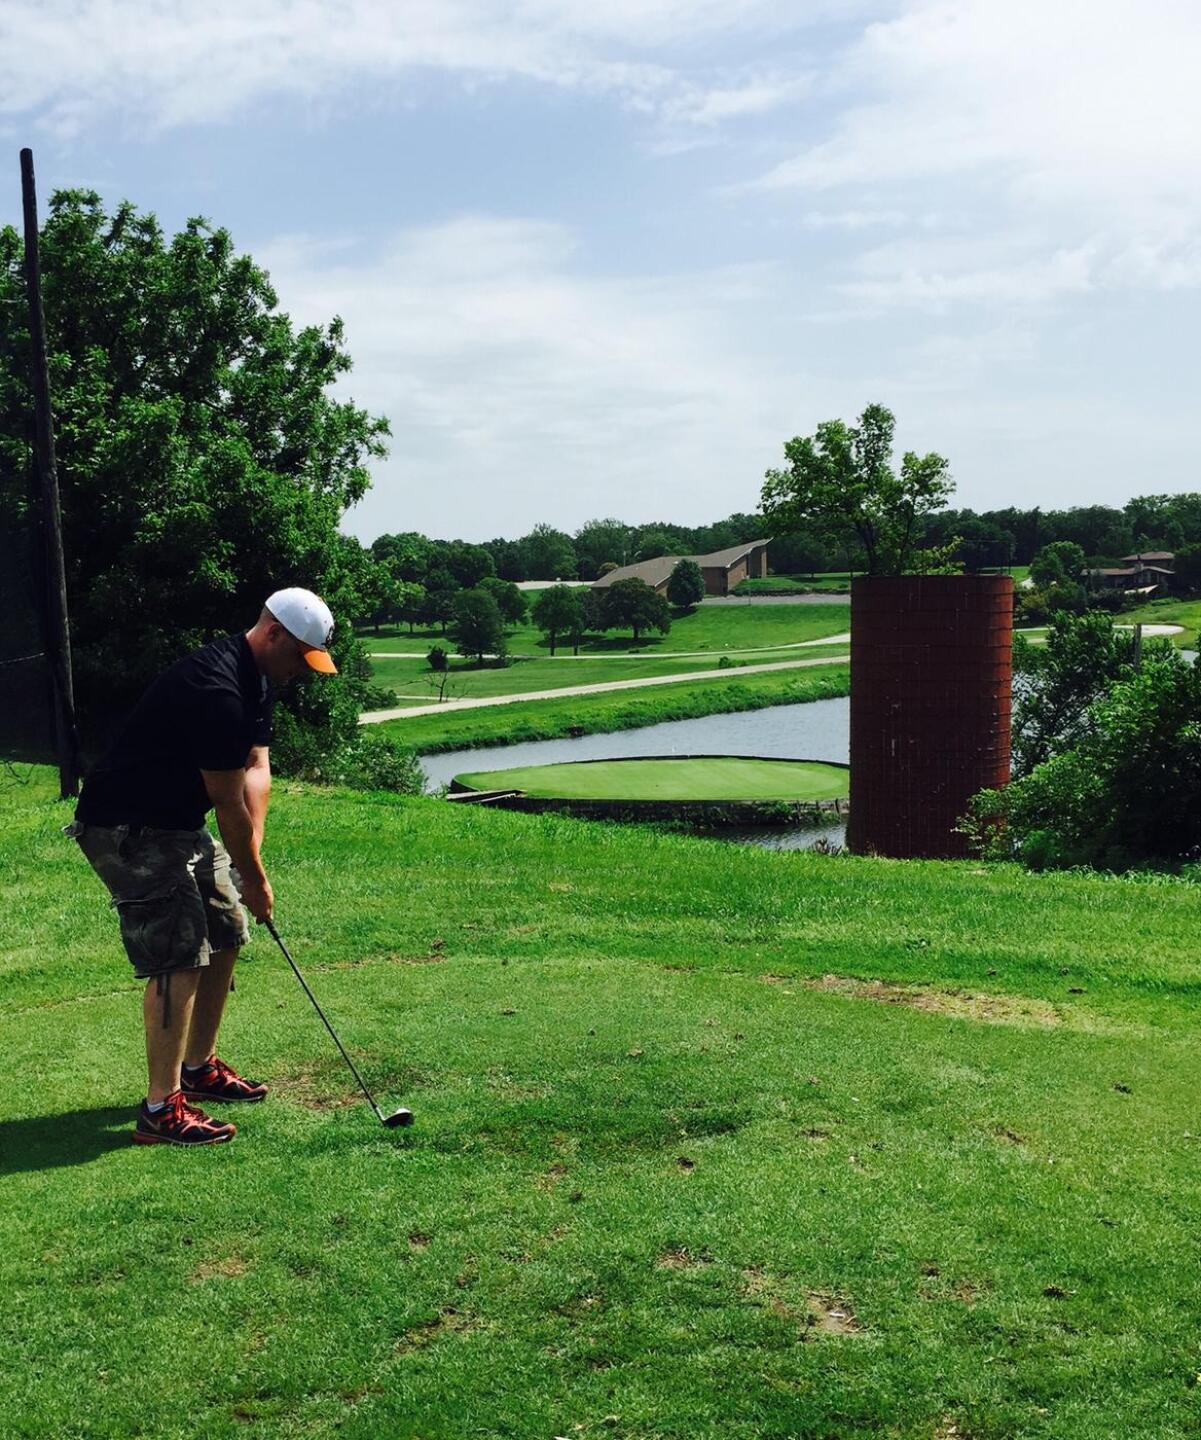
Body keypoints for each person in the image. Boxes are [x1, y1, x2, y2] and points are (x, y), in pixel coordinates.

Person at [65, 588, 337, 1146]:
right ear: (273, 633)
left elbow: (256, 768)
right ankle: (161, 1108)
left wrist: (250, 858)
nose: (302, 672)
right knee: (179, 951)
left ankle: (199, 1068)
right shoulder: (216, 690)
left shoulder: (260, 678)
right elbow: (226, 799)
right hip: (126, 828)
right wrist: (256, 877)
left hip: (176, 823)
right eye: (300, 657)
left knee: (226, 927)